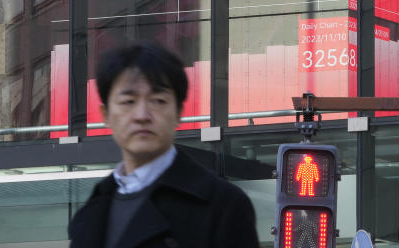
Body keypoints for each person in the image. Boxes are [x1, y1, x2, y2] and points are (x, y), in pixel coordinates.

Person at [69, 42, 259, 248]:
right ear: (106, 115)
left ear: (178, 113)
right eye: (128, 102)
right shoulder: (90, 213)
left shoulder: (223, 206)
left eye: (158, 100)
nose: (142, 115)